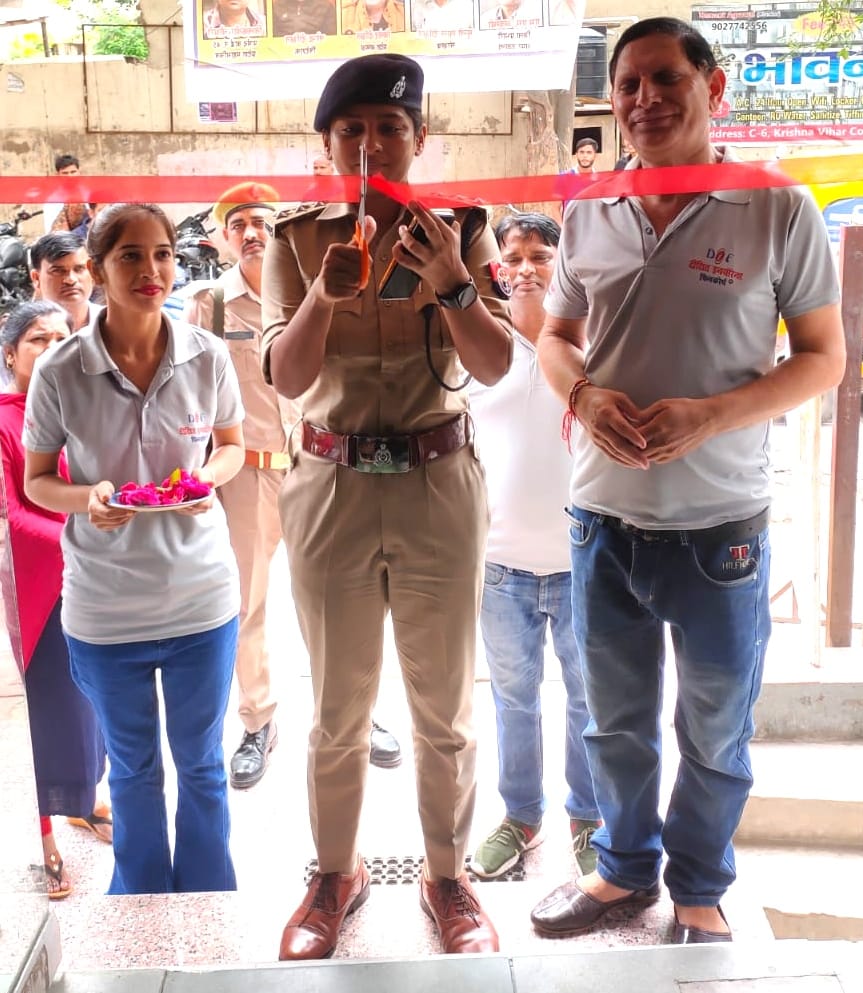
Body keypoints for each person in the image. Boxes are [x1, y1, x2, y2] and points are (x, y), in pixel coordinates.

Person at [530, 17, 845, 945]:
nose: (642, 100)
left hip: (720, 526)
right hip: (602, 518)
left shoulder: (777, 207)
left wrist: (707, 415)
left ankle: (700, 885)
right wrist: (581, 396)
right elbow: (553, 336)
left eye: (664, 78)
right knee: (613, 725)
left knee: (714, 726)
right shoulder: (588, 207)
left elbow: (823, 358)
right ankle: (623, 873)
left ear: (714, 88)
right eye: (626, 84)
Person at [261, 53, 513, 959]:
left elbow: (491, 365)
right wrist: (324, 298)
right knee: (336, 703)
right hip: (327, 484)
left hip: (438, 485)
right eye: (353, 130)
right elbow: (287, 377)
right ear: (327, 144)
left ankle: (448, 879)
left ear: (418, 140)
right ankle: (336, 871)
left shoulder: (465, 232)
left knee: (442, 707)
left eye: (390, 128)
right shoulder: (293, 242)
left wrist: (450, 279)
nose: (371, 144)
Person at [23, 202, 246, 895]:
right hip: (105, 609)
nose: (151, 270)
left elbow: (233, 446)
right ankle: (144, 903)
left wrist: (207, 476)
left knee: (202, 763)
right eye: (129, 256)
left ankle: (210, 899)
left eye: (163, 254)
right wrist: (87, 497)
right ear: (96, 269)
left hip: (200, 600)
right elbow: (36, 481)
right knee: (134, 767)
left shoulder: (205, 355)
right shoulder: (62, 370)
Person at [468, 213, 599, 881]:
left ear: (562, 264)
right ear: (494, 268)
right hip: (499, 568)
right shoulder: (477, 351)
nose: (523, 267)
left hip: (581, 561)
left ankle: (587, 816)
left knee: (586, 697)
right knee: (513, 699)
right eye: (511, 256)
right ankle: (521, 815)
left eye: (540, 256)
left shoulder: (585, 343)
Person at [184, 183, 295, 790]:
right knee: (247, 603)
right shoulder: (209, 306)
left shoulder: (305, 295)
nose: (253, 232)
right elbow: (190, 397)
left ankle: (357, 716)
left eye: (263, 221)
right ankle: (258, 721)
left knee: (336, 601)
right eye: (240, 224)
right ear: (224, 238)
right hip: (246, 475)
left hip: (315, 469)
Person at [0, 300, 110, 900]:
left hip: (91, 577)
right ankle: (45, 839)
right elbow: (9, 515)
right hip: (39, 582)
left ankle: (84, 801)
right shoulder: (3, 419)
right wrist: (80, 534)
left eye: (63, 336)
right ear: (11, 352)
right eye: (38, 339)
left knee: (91, 698)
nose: (52, 348)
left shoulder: (82, 410)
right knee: (49, 714)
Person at [30, 232, 100, 332]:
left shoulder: (115, 324)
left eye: (79, 269)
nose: (71, 280)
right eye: (58, 271)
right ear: (36, 278)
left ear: (92, 272)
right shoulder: (21, 332)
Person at [43, 154, 85, 235]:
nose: (70, 176)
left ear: (79, 172)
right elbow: (52, 233)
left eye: (73, 172)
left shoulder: (90, 195)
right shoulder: (51, 202)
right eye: (65, 173)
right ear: (58, 175)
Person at [272, 0, 337, 36]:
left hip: (316, 52)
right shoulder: (276, 6)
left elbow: (332, 38)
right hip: (282, 53)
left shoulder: (326, 7)